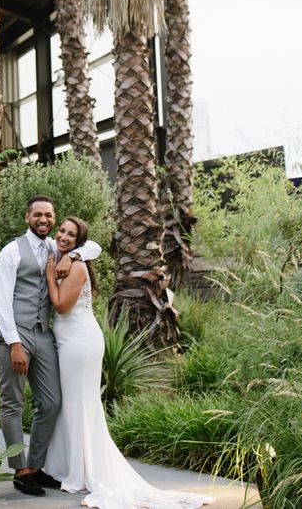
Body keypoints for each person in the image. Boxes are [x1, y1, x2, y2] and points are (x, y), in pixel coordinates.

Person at [43, 217, 215, 509]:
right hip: (68, 340)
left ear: (78, 241)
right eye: (62, 230)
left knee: (80, 404)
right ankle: (70, 467)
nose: (63, 236)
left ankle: (82, 471)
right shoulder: (65, 253)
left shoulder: (76, 266)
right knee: (72, 404)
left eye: (71, 235)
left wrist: (51, 273)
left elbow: (61, 304)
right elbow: (95, 245)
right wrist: (71, 252)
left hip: (80, 343)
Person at [0, 196, 101, 497]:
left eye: (49, 215)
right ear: (27, 217)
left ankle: (37, 466)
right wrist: (14, 344)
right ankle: (20, 469)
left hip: (44, 333)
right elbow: (2, 302)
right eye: (37, 214)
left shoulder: (56, 247)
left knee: (51, 401)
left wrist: (75, 257)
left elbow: (93, 246)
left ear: (54, 219)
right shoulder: (11, 251)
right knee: (12, 402)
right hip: (15, 333)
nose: (44, 219)